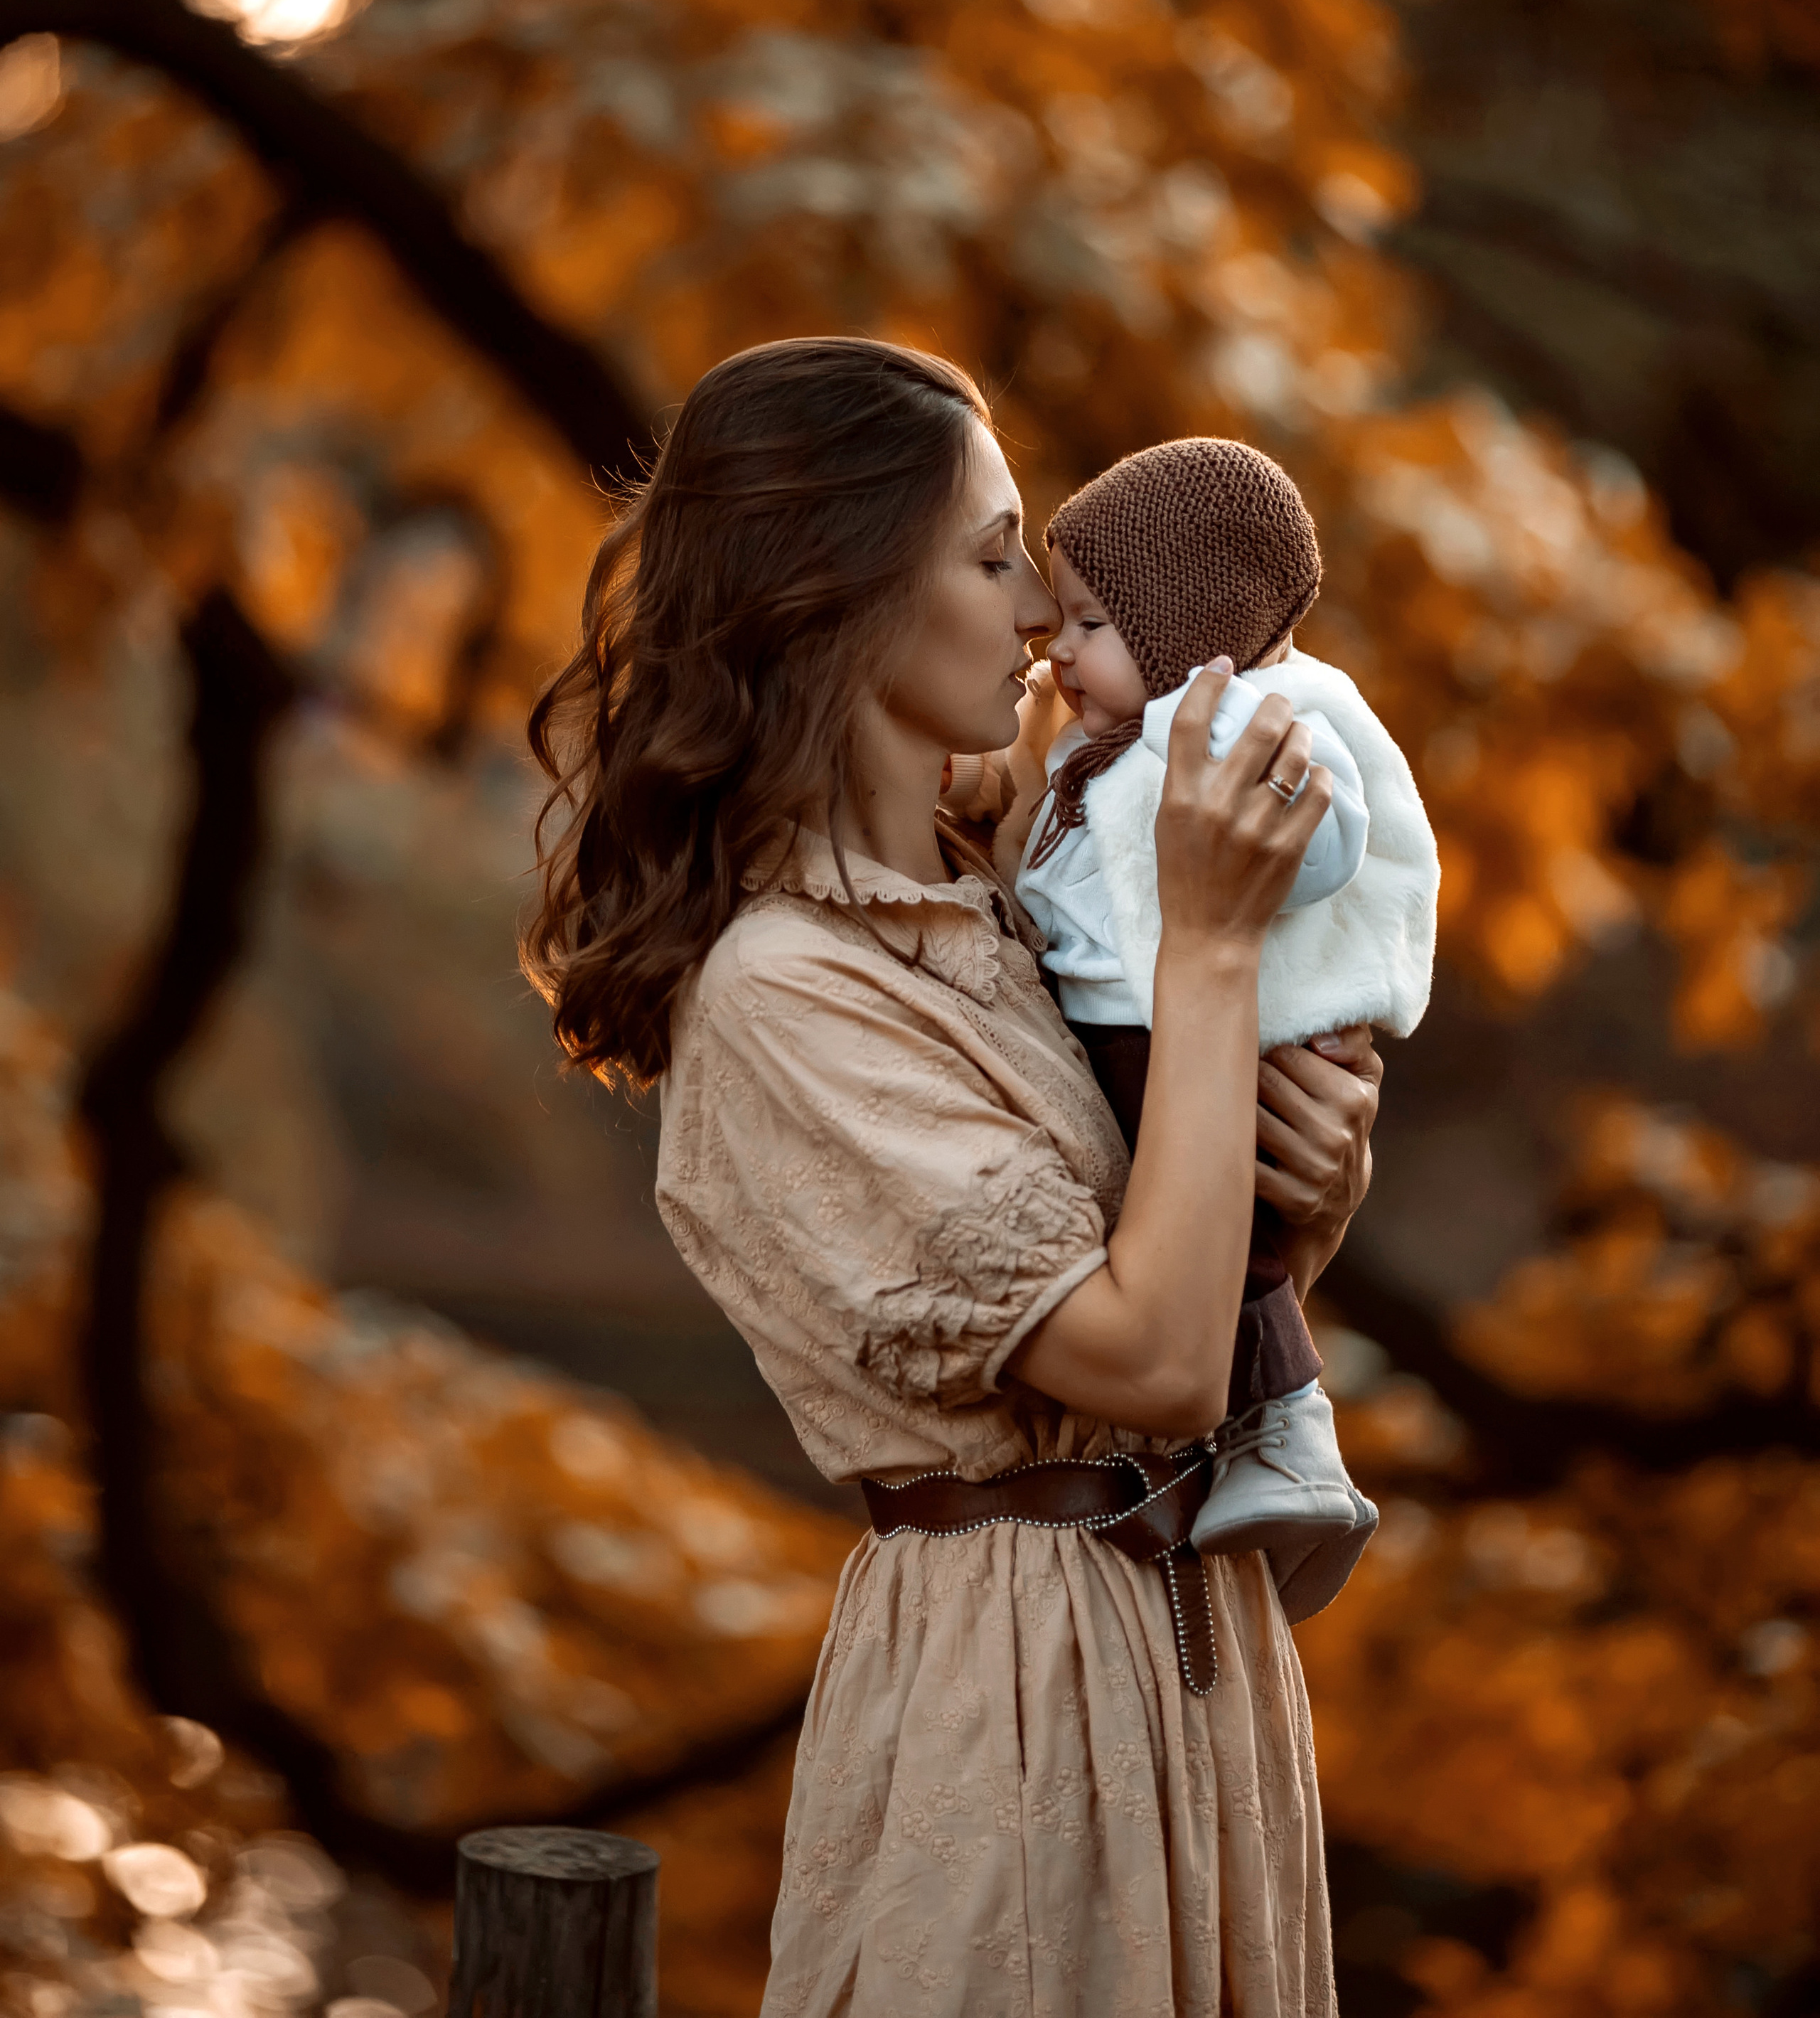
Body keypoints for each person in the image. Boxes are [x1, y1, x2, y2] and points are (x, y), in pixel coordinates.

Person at [523, 338, 1381, 2018]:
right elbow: (1142, 1359)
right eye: (993, 561)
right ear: (836, 591)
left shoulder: (1014, 902)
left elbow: (1190, 1345)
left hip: (1199, 1664)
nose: (1039, 620)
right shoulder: (783, 990)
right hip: (1014, 1693)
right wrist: (1207, 951)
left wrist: (1308, 1218)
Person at [948, 439, 1438, 1623]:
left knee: (1227, 1221)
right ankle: (1281, 1432)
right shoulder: (1085, 755)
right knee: (1186, 1214)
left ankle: (1292, 1431)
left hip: (1202, 1035)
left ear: (1185, 627)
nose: (1045, 636)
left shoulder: (1244, 724)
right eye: (993, 563)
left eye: (1088, 622)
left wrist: (1223, 890)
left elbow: (1307, 839)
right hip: (1155, 1031)